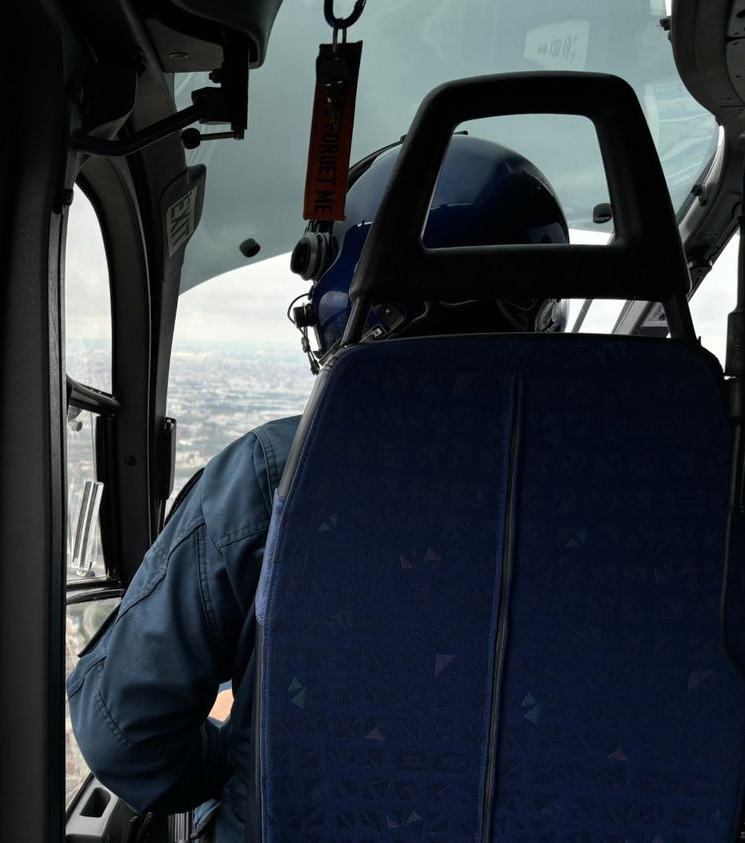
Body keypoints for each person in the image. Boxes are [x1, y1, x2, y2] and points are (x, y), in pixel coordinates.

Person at [65, 135, 571, 841]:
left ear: (346, 301)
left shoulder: (275, 472)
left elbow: (121, 728)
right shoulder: (659, 497)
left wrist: (237, 764)